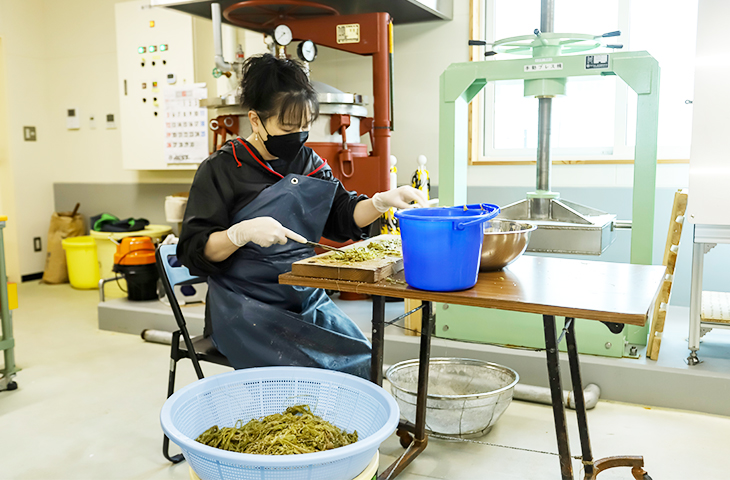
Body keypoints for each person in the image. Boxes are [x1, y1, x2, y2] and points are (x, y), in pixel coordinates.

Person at [177, 54, 427, 379]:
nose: (298, 134)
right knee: (306, 381)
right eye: (287, 126)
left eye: (305, 125)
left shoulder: (308, 162)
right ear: (255, 120)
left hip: (305, 299)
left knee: (364, 361)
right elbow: (195, 252)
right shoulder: (223, 169)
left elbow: (343, 215)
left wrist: (381, 202)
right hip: (245, 308)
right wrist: (239, 234)